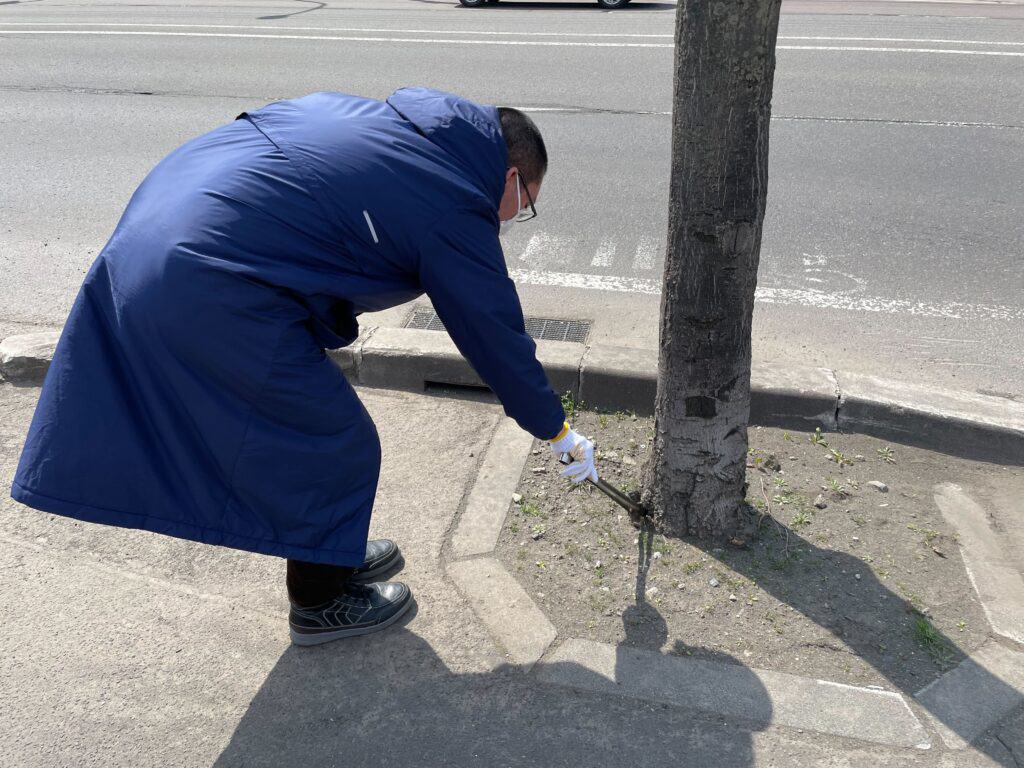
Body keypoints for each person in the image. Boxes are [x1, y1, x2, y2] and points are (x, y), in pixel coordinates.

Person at [11, 87, 599, 646]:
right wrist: (555, 428)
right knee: (334, 438)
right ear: (510, 175)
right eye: (525, 205)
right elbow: (493, 332)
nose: (512, 218)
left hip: (157, 235)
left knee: (307, 423)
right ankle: (319, 604)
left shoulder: (383, 127)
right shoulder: (451, 198)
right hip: (207, 282)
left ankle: (331, 548)